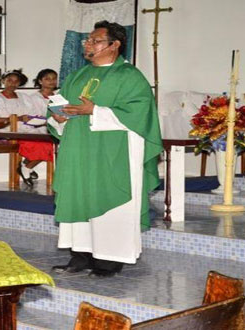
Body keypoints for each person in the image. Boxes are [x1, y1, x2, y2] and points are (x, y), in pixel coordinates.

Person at [48, 21, 162, 277]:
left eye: (94, 40)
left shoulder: (130, 76)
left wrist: (95, 111)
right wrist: (57, 118)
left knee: (111, 199)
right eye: (87, 40)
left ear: (115, 44)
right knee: (79, 196)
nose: (87, 44)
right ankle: (81, 254)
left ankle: (110, 258)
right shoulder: (78, 76)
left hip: (113, 152)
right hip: (78, 150)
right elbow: (60, 105)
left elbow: (140, 112)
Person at [0, 69, 54, 186]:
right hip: (6, 130)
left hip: (27, 129)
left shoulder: (24, 97)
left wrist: (36, 119)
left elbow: (32, 114)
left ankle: (25, 166)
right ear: (3, 81)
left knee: (50, 140)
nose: (13, 83)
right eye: (9, 80)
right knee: (42, 144)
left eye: (16, 81)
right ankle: (27, 167)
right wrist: (17, 118)